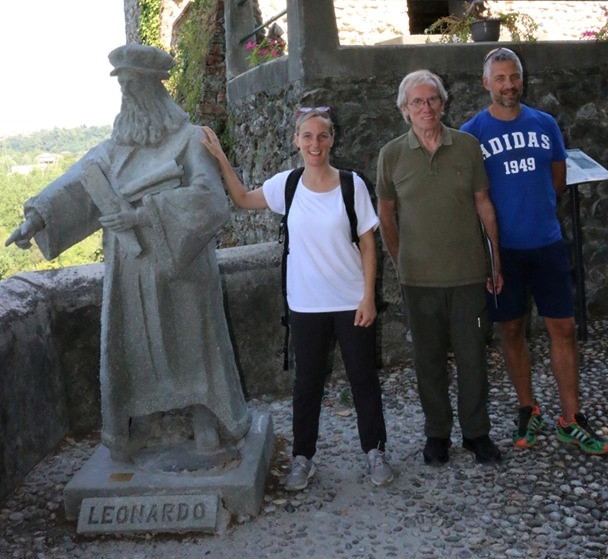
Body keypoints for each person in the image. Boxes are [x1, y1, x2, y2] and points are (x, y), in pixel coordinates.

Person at [6, 44, 250, 461]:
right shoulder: (114, 148)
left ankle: (203, 415)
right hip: (130, 269)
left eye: (134, 85)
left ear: (156, 88)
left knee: (192, 340)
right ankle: (148, 419)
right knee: (138, 346)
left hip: (182, 267)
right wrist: (36, 220)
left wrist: (141, 216)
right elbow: (78, 188)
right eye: (123, 88)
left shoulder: (190, 141)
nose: (127, 95)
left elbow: (210, 200)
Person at [201, 107, 394, 489]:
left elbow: (370, 245)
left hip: (350, 299)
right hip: (306, 305)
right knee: (307, 384)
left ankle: (375, 452)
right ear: (296, 141)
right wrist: (220, 157)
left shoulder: (352, 185)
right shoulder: (285, 185)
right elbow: (241, 198)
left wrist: (368, 297)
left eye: (322, 136)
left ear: (332, 139)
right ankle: (302, 458)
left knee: (363, 380)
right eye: (307, 136)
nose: (314, 144)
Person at [461, 47, 608, 455]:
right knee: (511, 329)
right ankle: (528, 407)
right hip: (503, 250)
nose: (509, 84)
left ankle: (571, 418)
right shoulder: (472, 132)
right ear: (486, 82)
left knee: (563, 328)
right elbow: (472, 196)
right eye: (501, 78)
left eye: (515, 76)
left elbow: (557, 180)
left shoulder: (545, 124)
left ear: (522, 79)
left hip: (547, 244)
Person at [377, 70, 503, 466]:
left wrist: (495, 261)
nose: (426, 108)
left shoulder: (467, 147)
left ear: (443, 103)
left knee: (473, 360)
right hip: (419, 280)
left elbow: (484, 206)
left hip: (468, 274)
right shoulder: (391, 155)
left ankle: (476, 433)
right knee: (428, 362)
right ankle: (437, 435)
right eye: (417, 102)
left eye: (432, 99)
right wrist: (400, 263)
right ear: (404, 110)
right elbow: (386, 215)